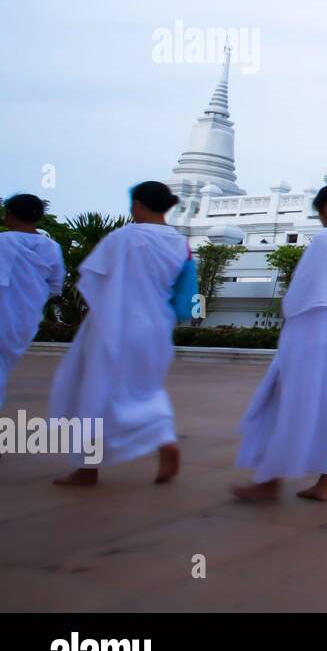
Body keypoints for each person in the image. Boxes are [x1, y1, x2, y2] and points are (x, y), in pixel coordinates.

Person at [232, 182, 327, 502]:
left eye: (320, 215)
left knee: (287, 404)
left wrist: (289, 316)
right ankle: (326, 483)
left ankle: (270, 481)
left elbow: (305, 292)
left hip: (314, 336)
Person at [49, 181, 191, 485]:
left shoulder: (125, 237)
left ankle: (88, 468)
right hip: (156, 326)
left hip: (116, 323)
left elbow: (93, 278)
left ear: (137, 205)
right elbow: (185, 294)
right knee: (145, 389)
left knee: (94, 389)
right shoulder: (181, 243)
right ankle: (164, 439)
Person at [0, 194, 65, 406]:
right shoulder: (52, 247)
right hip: (27, 319)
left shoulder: (4, 241)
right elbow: (56, 285)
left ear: (9, 214)